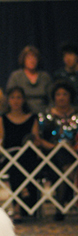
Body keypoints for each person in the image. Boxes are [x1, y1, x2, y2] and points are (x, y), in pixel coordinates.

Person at [0, 86, 41, 223]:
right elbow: (1, 141)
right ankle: (22, 194)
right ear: (8, 100)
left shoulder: (32, 118)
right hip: (9, 156)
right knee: (15, 162)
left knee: (23, 159)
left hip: (28, 156)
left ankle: (18, 205)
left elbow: (36, 140)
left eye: (19, 97)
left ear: (24, 100)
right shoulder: (2, 119)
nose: (16, 101)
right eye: (13, 97)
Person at [39, 80, 78, 221]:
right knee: (63, 159)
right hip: (50, 154)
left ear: (70, 96)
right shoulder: (46, 115)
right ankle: (63, 202)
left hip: (75, 152)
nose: (61, 97)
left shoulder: (76, 115)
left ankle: (62, 204)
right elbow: (39, 138)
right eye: (58, 94)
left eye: (65, 94)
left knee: (68, 161)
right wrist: (55, 147)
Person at [6, 45, 52, 114]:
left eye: (34, 57)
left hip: (43, 113)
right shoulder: (16, 76)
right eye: (29, 58)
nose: (32, 60)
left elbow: (52, 98)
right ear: (23, 59)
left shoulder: (45, 77)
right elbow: (10, 96)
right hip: (22, 113)